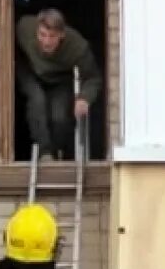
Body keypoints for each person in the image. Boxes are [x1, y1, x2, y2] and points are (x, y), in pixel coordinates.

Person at [15, 9, 102, 161]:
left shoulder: (78, 46)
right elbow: (4, 35)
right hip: (29, 71)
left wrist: (84, 98)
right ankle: (44, 153)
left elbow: (93, 77)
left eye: (52, 36)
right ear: (36, 30)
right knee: (37, 101)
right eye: (42, 35)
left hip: (60, 79)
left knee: (59, 116)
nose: (46, 41)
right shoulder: (24, 27)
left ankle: (56, 154)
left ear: (62, 34)